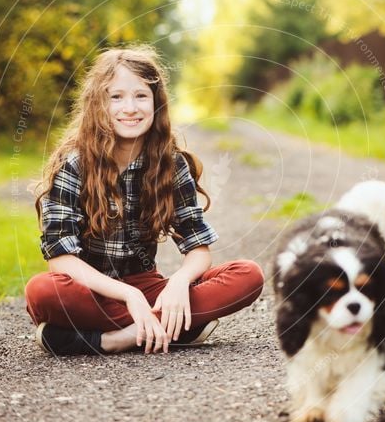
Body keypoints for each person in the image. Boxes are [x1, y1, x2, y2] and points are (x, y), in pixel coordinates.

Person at [24, 46, 265, 356]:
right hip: (90, 288)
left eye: (141, 96)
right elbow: (60, 258)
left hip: (148, 285)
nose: (130, 108)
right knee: (43, 291)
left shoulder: (171, 164)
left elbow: (198, 249)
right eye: (116, 97)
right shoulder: (75, 165)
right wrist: (128, 296)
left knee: (249, 275)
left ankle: (113, 338)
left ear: (156, 103)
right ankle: (174, 327)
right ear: (99, 104)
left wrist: (179, 282)